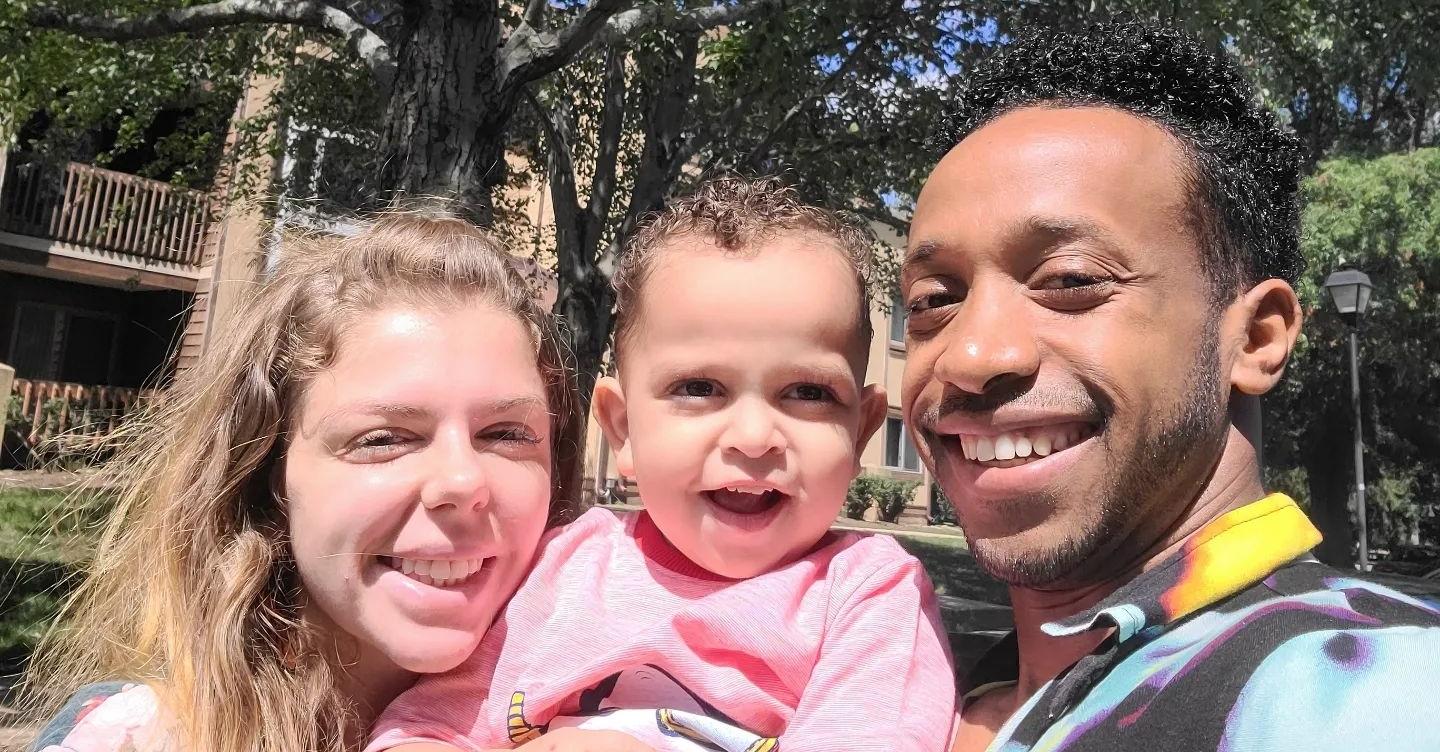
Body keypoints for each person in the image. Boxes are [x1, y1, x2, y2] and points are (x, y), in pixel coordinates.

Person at [900, 20, 1440, 751]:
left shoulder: (1364, 689)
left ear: (1255, 337)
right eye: (934, 299)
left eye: (1070, 280)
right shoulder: (920, 688)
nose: (969, 353)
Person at [367, 177, 956, 752]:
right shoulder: (560, 569)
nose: (753, 438)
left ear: (861, 432)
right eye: (700, 387)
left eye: (808, 393)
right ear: (622, 428)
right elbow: (427, 727)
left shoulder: (868, 594)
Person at [20, 212, 585, 752]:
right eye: (384, 439)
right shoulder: (132, 739)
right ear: (269, 474)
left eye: (507, 433)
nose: (463, 479)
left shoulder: (625, 716)